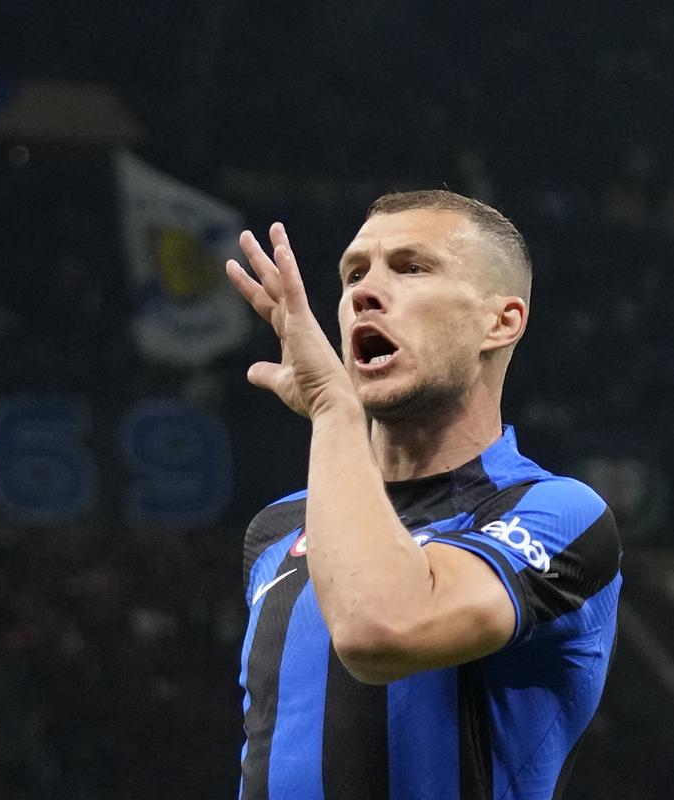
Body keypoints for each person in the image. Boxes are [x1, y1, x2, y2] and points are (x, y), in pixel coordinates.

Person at [225, 190, 621, 799]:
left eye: (411, 268)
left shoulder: (557, 514)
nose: (363, 292)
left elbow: (380, 630)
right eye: (354, 273)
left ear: (501, 321)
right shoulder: (278, 528)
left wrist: (334, 410)